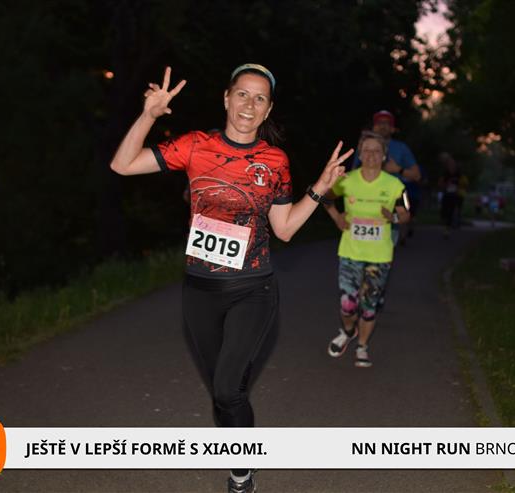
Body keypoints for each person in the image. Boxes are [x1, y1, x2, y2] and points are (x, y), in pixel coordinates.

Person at [110, 64, 353, 493]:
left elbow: (284, 229)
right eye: (242, 94)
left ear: (268, 110)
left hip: (253, 289)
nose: (249, 105)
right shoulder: (195, 146)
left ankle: (242, 474)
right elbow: (123, 164)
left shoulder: (275, 162)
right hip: (200, 290)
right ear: (226, 98)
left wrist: (318, 187)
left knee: (226, 390)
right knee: (226, 393)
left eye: (260, 99)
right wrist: (148, 114)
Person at [322, 131, 410, 368]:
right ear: (360, 155)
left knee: (369, 306)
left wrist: (392, 216)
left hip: (379, 256)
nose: (371, 154)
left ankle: (362, 346)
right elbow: (325, 197)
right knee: (348, 305)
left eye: (376, 151)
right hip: (350, 252)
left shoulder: (395, 185)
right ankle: (348, 330)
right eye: (367, 150)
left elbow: (405, 215)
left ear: (384, 156)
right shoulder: (347, 180)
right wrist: (337, 218)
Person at [349, 110, 421, 245]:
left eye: (387, 123)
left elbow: (417, 176)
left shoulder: (401, 148)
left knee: (384, 248)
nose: (382, 126)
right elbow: (352, 175)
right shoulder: (364, 147)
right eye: (379, 123)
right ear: (373, 127)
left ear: (393, 128)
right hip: (362, 208)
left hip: (389, 208)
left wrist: (398, 169)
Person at [438, 152, 463, 237]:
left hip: (454, 195)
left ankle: (447, 228)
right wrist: (446, 185)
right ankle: (445, 225)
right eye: (450, 164)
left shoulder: (458, 173)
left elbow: (460, 183)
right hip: (446, 194)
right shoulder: (445, 173)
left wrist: (458, 188)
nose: (452, 165)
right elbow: (440, 183)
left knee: (451, 211)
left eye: (453, 164)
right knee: (444, 211)